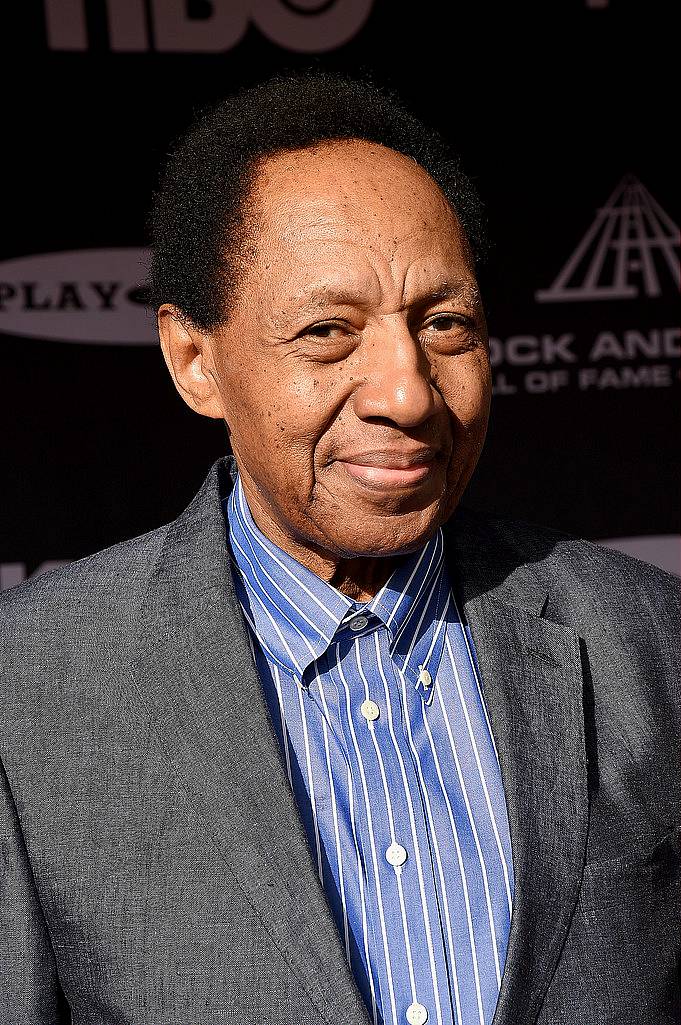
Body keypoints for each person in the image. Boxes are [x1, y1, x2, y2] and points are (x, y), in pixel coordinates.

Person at [0, 72, 679, 1025]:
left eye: (445, 325)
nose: (405, 392)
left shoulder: (646, 639)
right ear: (196, 361)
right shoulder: (27, 689)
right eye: (327, 332)